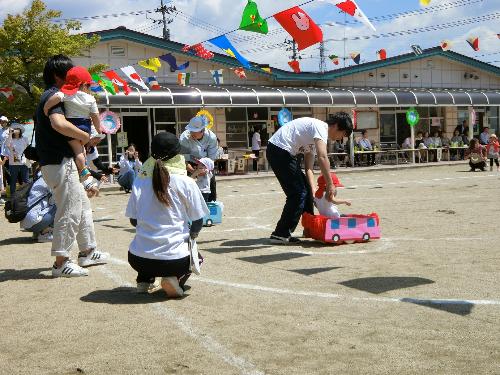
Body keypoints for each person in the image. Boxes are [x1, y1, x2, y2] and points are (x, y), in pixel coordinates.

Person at [35, 54, 108, 278]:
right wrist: (86, 136)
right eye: (68, 75)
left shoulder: (62, 96)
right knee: (69, 209)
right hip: (59, 162)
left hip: (61, 162)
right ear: (58, 76)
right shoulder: (54, 96)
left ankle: (87, 251)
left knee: (82, 206)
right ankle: (61, 262)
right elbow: (58, 123)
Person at [126, 132, 209, 297]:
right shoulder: (186, 182)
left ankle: (144, 280)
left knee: (148, 247)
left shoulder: (140, 180)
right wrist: (192, 235)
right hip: (173, 261)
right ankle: (175, 279)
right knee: (197, 258)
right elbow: (198, 220)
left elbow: (134, 221)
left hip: (137, 258)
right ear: (177, 155)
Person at [266, 113, 353, 245]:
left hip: (281, 152)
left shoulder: (314, 135)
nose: (340, 139)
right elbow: (323, 157)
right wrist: (330, 184)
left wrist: (312, 190)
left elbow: (309, 168)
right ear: (335, 126)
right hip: (280, 150)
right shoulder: (321, 128)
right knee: (298, 193)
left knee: (305, 191)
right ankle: (280, 234)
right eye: (343, 135)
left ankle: (309, 228)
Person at [43, 66, 102, 191]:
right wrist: (99, 130)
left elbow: (56, 98)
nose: (90, 89)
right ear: (84, 85)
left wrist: (46, 108)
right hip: (85, 127)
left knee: (78, 151)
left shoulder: (67, 94)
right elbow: (95, 117)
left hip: (72, 127)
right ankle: (85, 172)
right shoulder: (91, 99)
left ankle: (83, 169)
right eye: (89, 86)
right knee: (81, 150)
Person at [180, 116, 218, 201]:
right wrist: (194, 172)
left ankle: (210, 203)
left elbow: (211, 158)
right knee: (188, 189)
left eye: (194, 131)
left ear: (202, 131)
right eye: (191, 130)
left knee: (209, 187)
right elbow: (183, 159)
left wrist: (204, 170)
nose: (191, 133)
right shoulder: (184, 138)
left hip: (206, 165)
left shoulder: (211, 137)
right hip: (189, 164)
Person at [20, 167, 56, 243]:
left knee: (44, 206)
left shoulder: (36, 181)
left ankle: (37, 233)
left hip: (25, 224)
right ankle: (45, 234)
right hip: (34, 223)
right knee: (59, 205)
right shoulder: (47, 180)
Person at [3, 124, 30, 194]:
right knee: (13, 180)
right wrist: (10, 133)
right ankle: (13, 197)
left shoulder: (25, 138)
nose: (15, 130)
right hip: (13, 163)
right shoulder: (10, 139)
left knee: (26, 180)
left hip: (24, 162)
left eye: (17, 128)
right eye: (14, 129)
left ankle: (27, 196)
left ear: (20, 130)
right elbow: (7, 145)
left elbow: (28, 149)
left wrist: (30, 160)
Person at [0, 116, 9, 204]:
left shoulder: (10, 130)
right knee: (3, 174)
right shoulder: (0, 131)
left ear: (7, 122)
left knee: (11, 173)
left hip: (11, 153)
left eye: (4, 121)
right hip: (2, 154)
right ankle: (3, 194)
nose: (2, 123)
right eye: (1, 122)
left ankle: (12, 192)